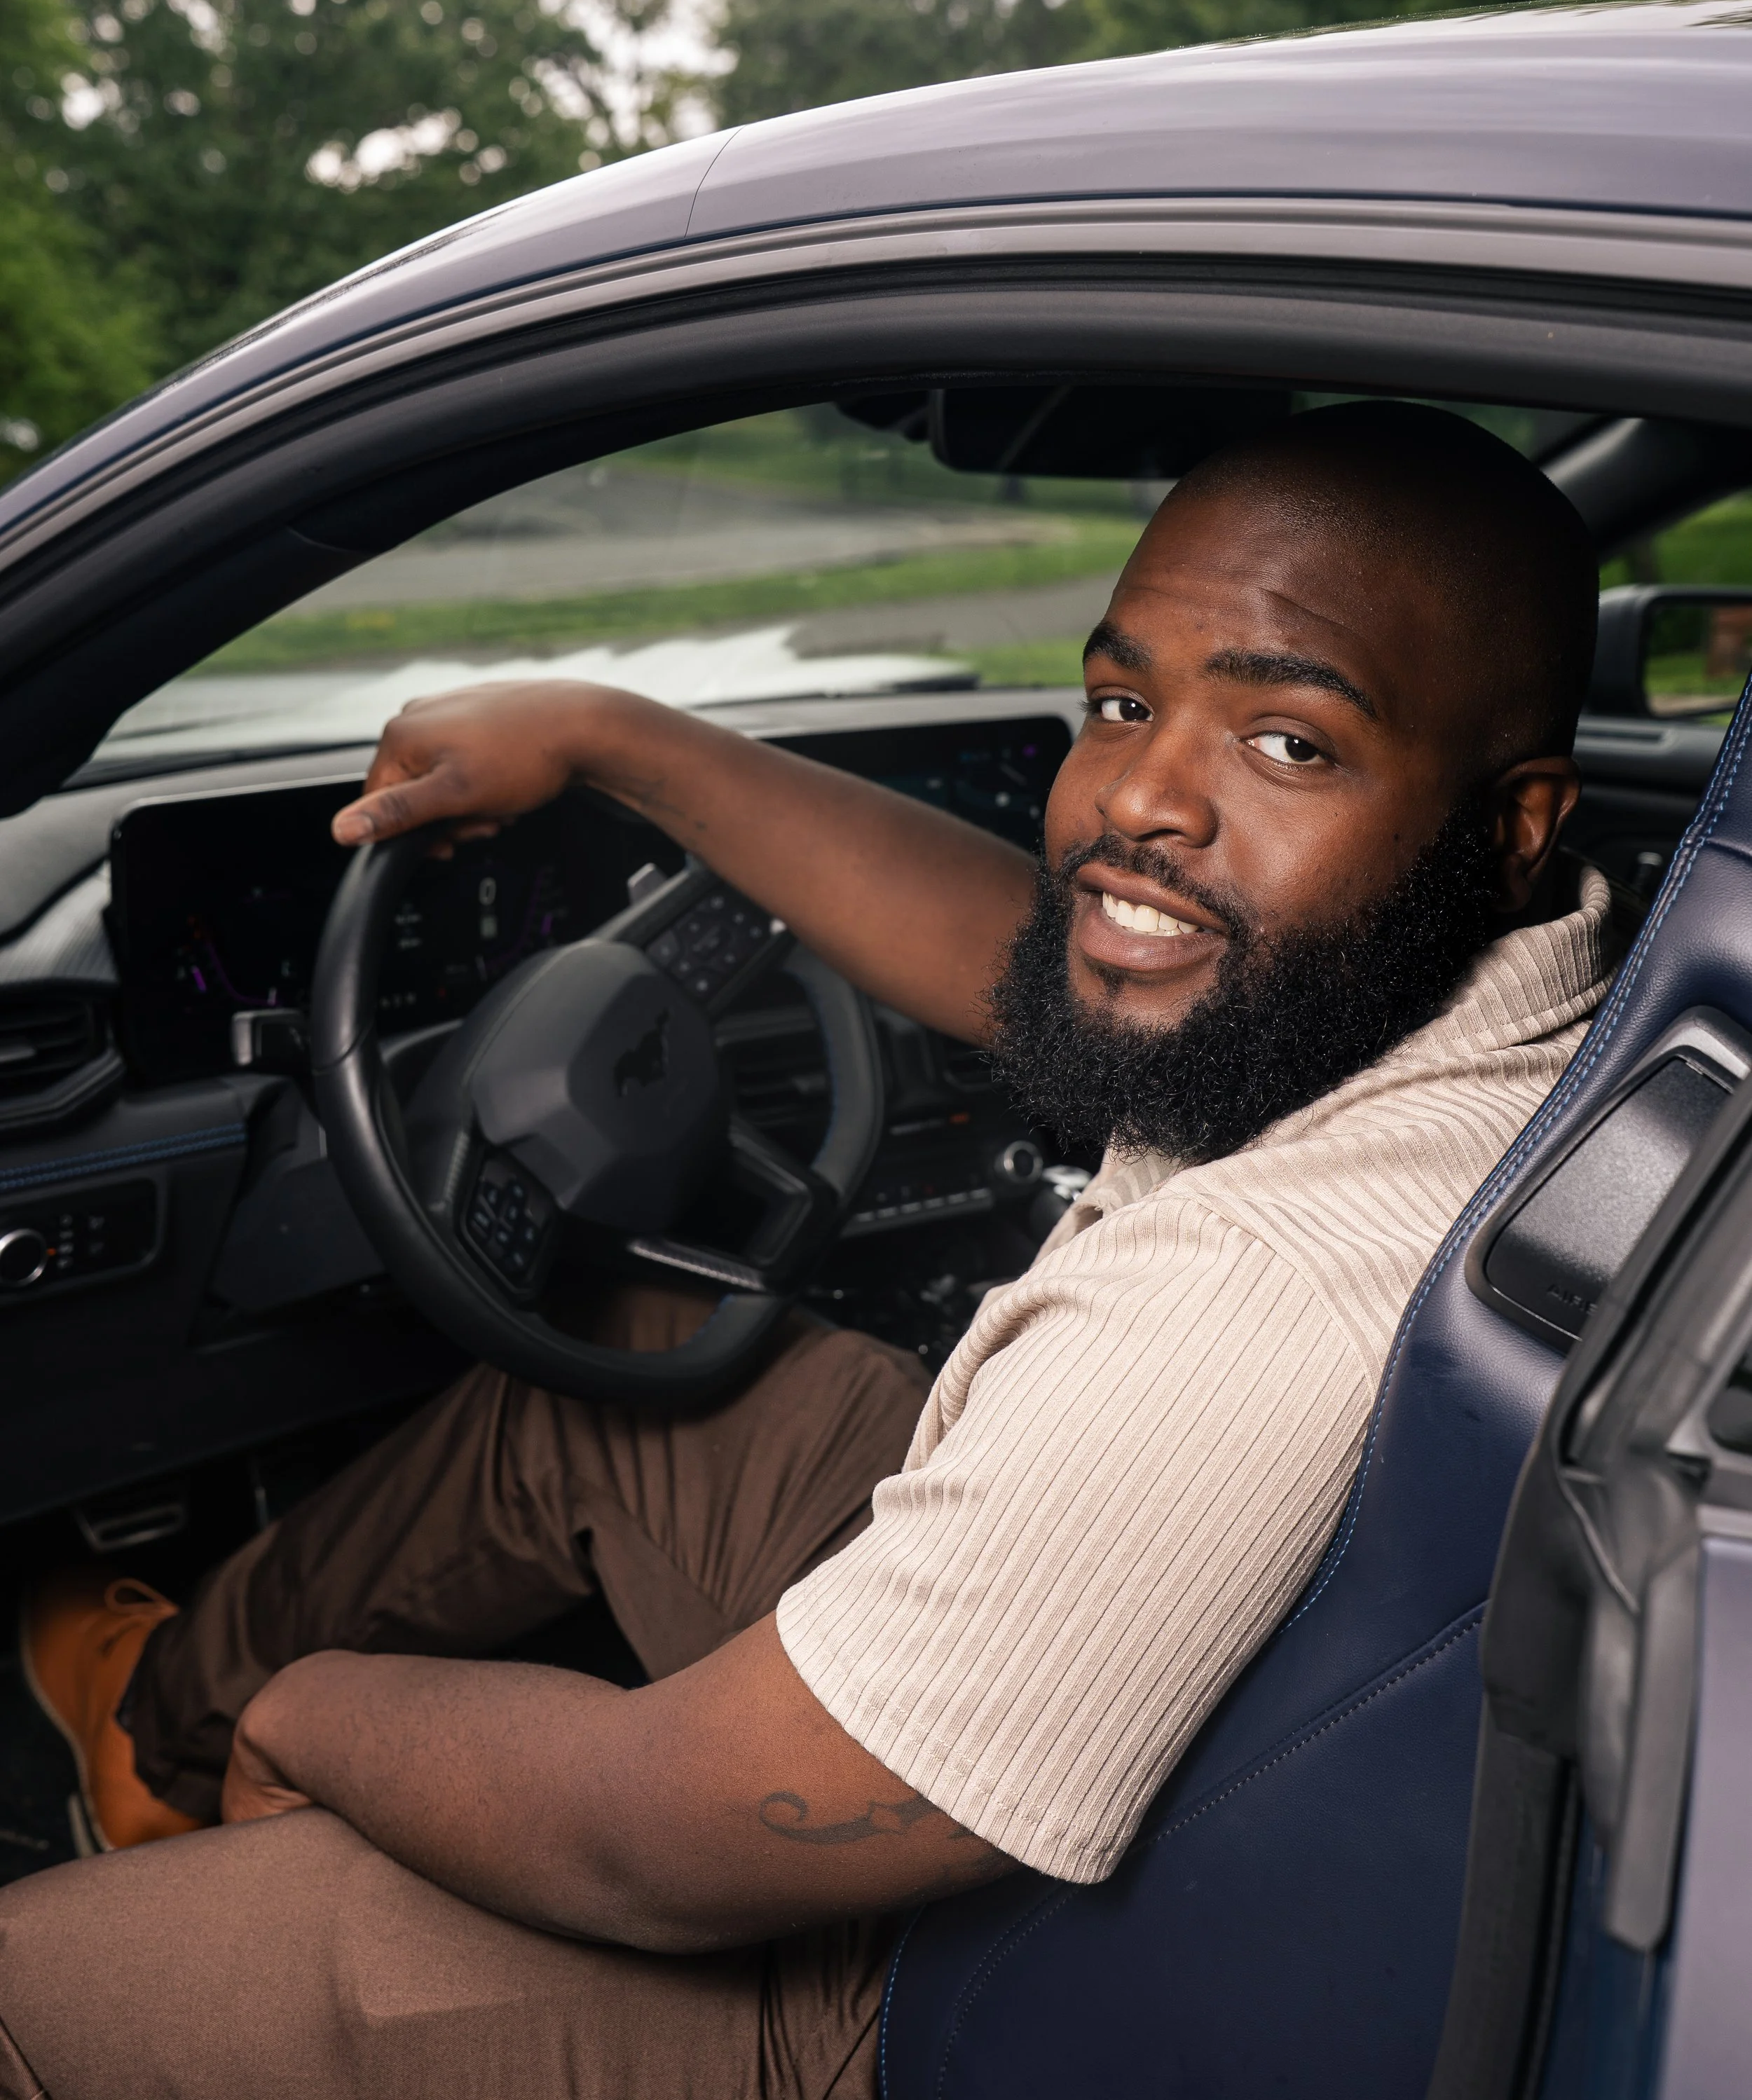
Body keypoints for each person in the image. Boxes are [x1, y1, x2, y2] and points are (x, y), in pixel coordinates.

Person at [0, 401, 1616, 2100]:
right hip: (1216, 1753)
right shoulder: (1499, 1000)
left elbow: (658, 1836)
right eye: (1124, 702)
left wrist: (316, 1712)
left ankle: (207, 1733)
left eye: (1286, 743)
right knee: (631, 1354)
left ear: (1512, 817)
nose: (1138, 798)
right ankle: (149, 1735)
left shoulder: (1264, 1283)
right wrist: (612, 734)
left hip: (958, 2000)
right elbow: (1020, 943)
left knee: (37, 1980)